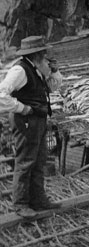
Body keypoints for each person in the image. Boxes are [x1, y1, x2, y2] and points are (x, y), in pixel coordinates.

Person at [0, 36, 64, 218]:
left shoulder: (37, 69)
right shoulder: (20, 70)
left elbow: (52, 88)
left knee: (39, 160)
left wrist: (54, 71)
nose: (46, 55)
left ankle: (38, 200)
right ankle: (20, 204)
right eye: (43, 52)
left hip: (38, 120)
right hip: (26, 120)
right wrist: (23, 108)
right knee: (26, 161)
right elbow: (1, 94)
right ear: (36, 54)